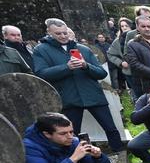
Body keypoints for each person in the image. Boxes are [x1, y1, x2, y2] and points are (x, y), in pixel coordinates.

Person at [34, 18, 125, 152]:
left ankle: (119, 151)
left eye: (65, 33)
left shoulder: (83, 49)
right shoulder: (41, 50)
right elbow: (41, 74)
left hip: (93, 95)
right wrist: (67, 67)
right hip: (69, 98)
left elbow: (101, 73)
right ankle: (73, 159)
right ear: (49, 32)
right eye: (58, 34)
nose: (63, 36)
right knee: (70, 133)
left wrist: (86, 66)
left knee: (110, 128)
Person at [106, 17, 134, 95]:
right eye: (122, 26)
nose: (124, 27)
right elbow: (110, 54)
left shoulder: (139, 37)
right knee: (135, 94)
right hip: (129, 71)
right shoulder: (117, 41)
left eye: (126, 25)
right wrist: (120, 63)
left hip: (144, 69)